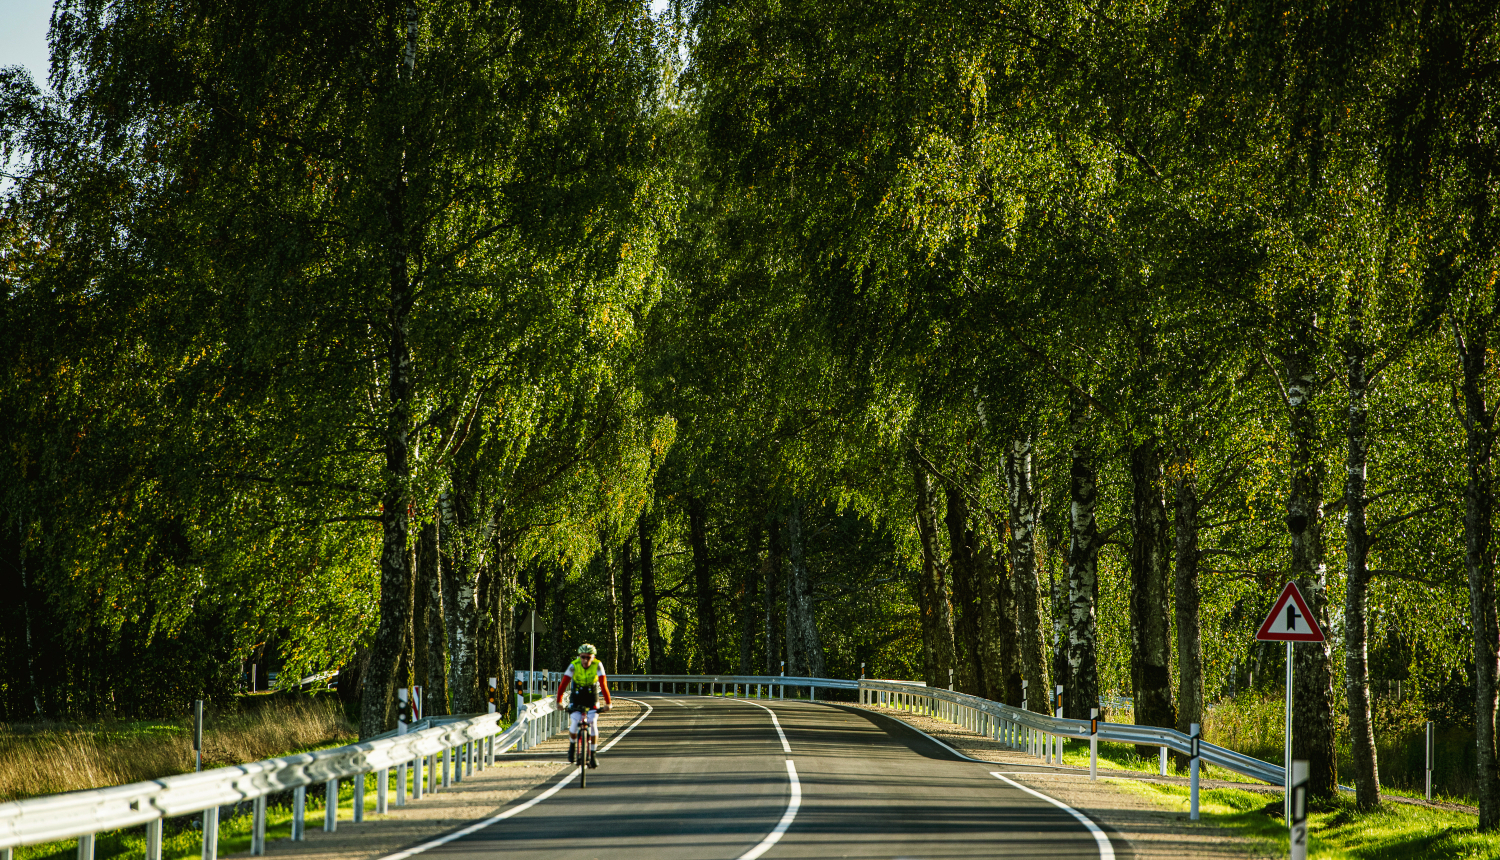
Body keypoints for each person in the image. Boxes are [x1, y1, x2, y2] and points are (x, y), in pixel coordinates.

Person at [555, 643, 611, 768]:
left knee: (592, 723)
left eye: (588, 657)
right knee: (574, 722)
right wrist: (559, 701)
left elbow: (603, 685)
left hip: (592, 696)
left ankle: (593, 754)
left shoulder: (598, 665)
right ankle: (572, 746)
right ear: (579, 656)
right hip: (577, 695)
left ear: (593, 657)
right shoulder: (573, 665)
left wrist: (608, 703)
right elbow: (563, 684)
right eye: (583, 657)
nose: (585, 660)